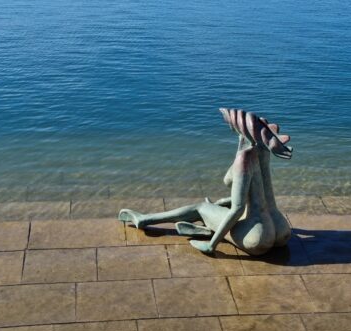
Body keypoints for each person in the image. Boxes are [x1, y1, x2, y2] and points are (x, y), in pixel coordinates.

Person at [119, 109, 292, 256]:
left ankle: (143, 219)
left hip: (257, 238)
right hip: (281, 229)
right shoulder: (263, 149)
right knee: (218, 207)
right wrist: (224, 202)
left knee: (201, 207)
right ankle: (206, 228)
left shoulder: (244, 158)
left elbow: (237, 208)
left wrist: (212, 246)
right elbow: (261, 194)